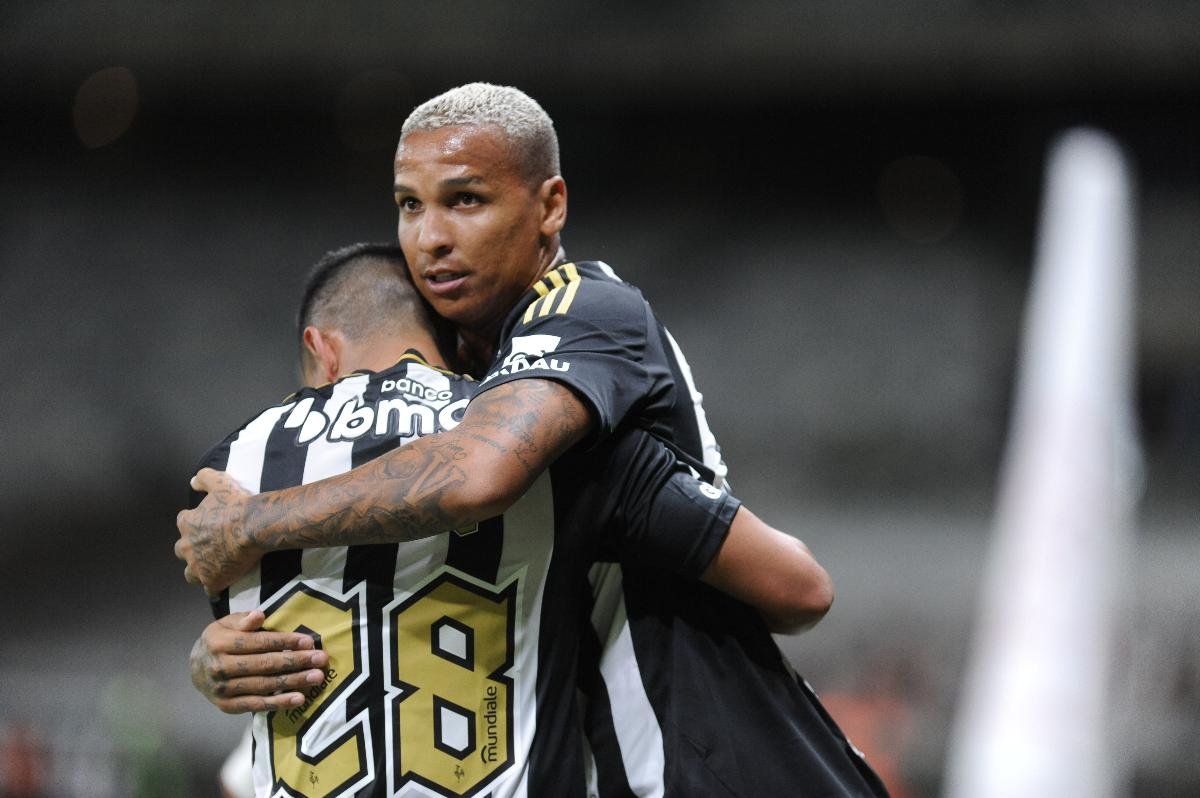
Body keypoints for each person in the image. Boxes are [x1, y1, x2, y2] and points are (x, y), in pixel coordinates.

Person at [179, 83, 886, 796]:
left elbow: (475, 476)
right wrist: (227, 655)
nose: (431, 238)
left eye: (465, 200)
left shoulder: (585, 309)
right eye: (409, 205)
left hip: (711, 767)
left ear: (550, 207)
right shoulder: (480, 381)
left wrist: (256, 523)